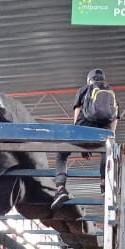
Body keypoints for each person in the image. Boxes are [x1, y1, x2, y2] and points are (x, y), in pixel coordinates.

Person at [51, 69, 119, 209]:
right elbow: (115, 118)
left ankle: (60, 189)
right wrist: (109, 138)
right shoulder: (111, 93)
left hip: (83, 132)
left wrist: (78, 139)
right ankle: (104, 185)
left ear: (89, 80)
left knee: (62, 152)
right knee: (106, 152)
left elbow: (77, 112)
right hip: (102, 135)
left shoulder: (84, 89)